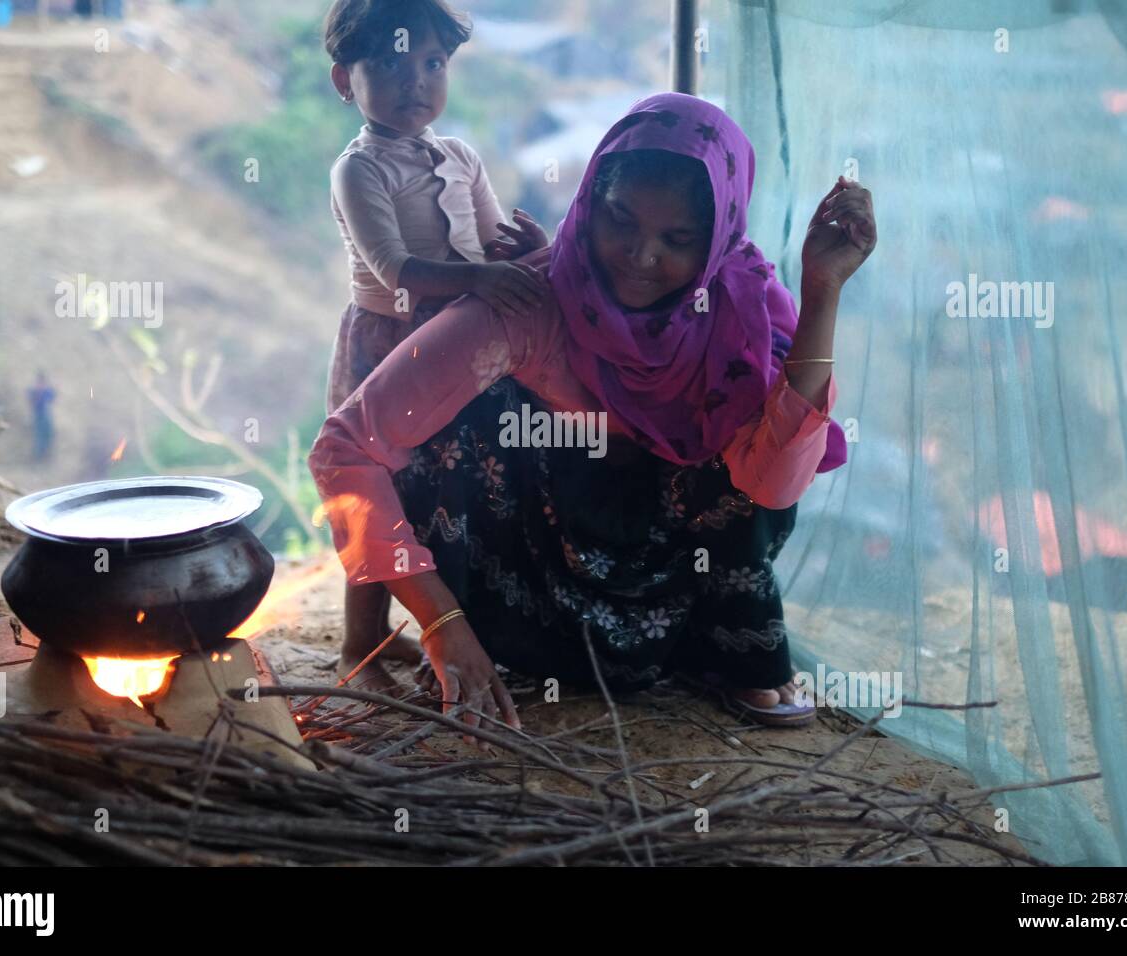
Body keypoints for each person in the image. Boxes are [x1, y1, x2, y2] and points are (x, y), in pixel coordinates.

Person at [309, 93, 877, 733]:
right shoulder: (527, 303)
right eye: (620, 221)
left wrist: (822, 292)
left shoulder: (738, 308)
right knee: (451, 424)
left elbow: (775, 483)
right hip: (534, 563)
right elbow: (346, 446)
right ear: (588, 205)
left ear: (718, 238)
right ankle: (498, 641)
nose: (640, 257)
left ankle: (723, 648)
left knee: (760, 432)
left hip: (668, 566)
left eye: (677, 239)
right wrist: (442, 623)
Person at [322, 0, 551, 678]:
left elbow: (490, 245)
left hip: (462, 347)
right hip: (387, 344)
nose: (414, 82)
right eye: (389, 64)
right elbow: (397, 269)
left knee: (456, 495)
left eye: (431, 63)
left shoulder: (461, 157)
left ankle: (453, 630)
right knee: (373, 492)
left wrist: (526, 250)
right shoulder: (358, 169)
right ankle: (359, 642)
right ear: (344, 82)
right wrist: (485, 275)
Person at [28, 370, 56, 462]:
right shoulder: (33, 391)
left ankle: (47, 456)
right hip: (38, 416)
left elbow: (52, 397)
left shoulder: (46, 391)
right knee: (40, 438)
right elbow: (32, 401)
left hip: (46, 416)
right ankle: (39, 457)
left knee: (48, 436)